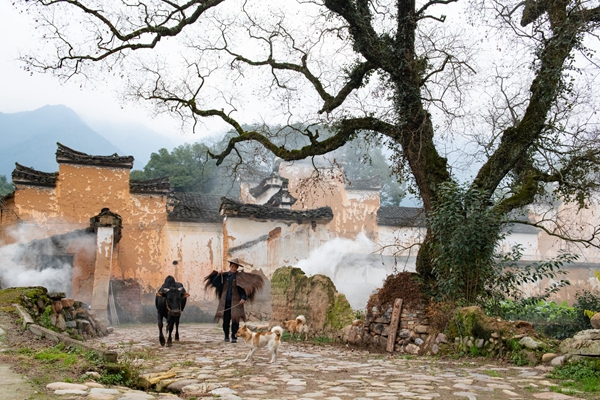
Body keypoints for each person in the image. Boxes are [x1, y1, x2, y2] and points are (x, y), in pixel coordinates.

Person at [204, 258, 264, 343]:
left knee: (235, 322)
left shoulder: (240, 278)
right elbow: (215, 284)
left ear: (237, 268)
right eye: (232, 266)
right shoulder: (224, 276)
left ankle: (234, 337)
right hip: (225, 303)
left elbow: (242, 290)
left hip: (236, 303)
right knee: (226, 322)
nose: (234, 268)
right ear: (230, 266)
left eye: (235, 267)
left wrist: (243, 298)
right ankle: (226, 336)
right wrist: (218, 275)